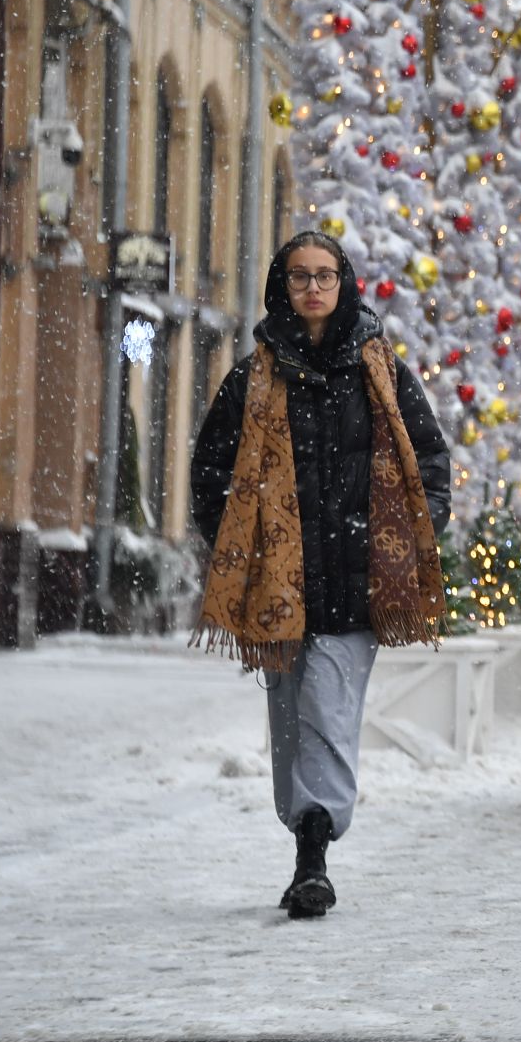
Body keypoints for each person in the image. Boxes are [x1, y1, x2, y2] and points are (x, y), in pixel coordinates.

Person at [191, 230, 451, 919]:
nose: (313, 287)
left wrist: (401, 544)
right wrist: (237, 547)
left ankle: (314, 852)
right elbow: (211, 473)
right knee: (289, 720)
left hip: (355, 586)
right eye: (300, 275)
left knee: (328, 718)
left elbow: (429, 465)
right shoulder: (254, 378)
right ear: (283, 285)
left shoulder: (383, 375)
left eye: (325, 275)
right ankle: (306, 833)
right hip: (275, 587)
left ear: (345, 284)